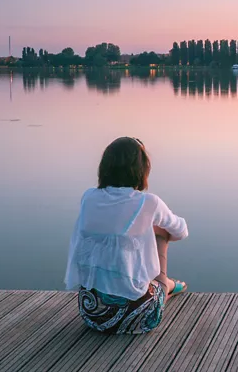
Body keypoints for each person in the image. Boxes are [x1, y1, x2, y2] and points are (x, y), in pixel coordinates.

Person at [64, 137, 188, 334]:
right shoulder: (149, 202)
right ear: (141, 168)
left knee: (123, 238)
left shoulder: (88, 197)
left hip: (92, 315)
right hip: (139, 319)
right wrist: (149, 225)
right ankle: (165, 284)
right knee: (161, 231)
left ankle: (166, 285)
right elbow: (181, 231)